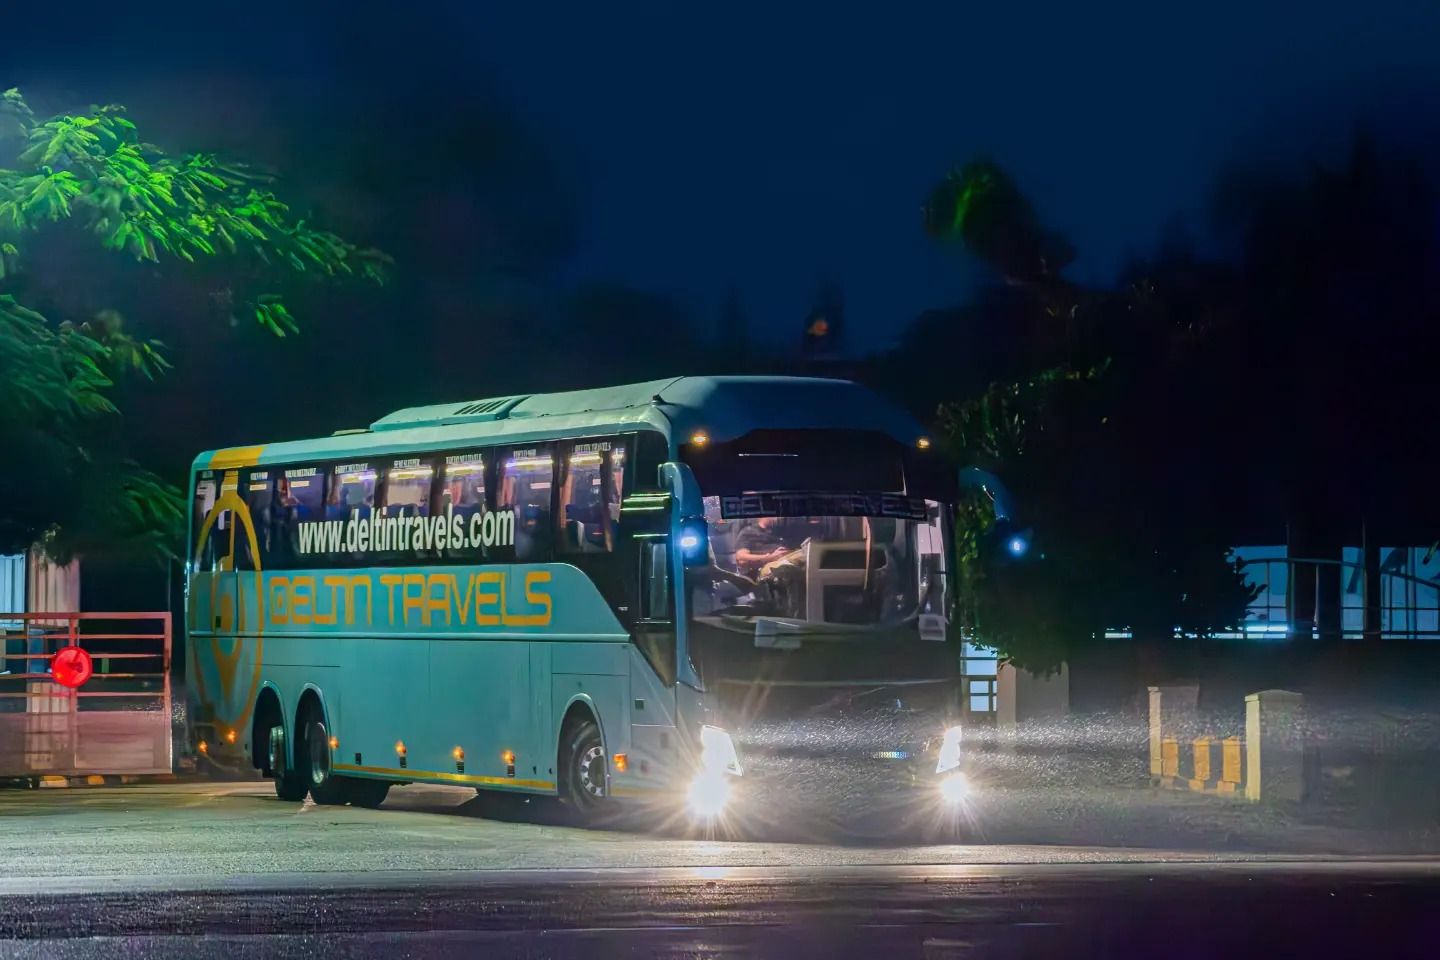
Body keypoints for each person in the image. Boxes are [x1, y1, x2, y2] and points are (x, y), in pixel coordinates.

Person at [733, 515, 802, 577]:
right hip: (766, 567)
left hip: (787, 558)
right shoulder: (749, 532)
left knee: (807, 554)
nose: (777, 518)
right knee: (787, 568)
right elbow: (741, 558)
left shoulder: (778, 531)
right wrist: (769, 557)